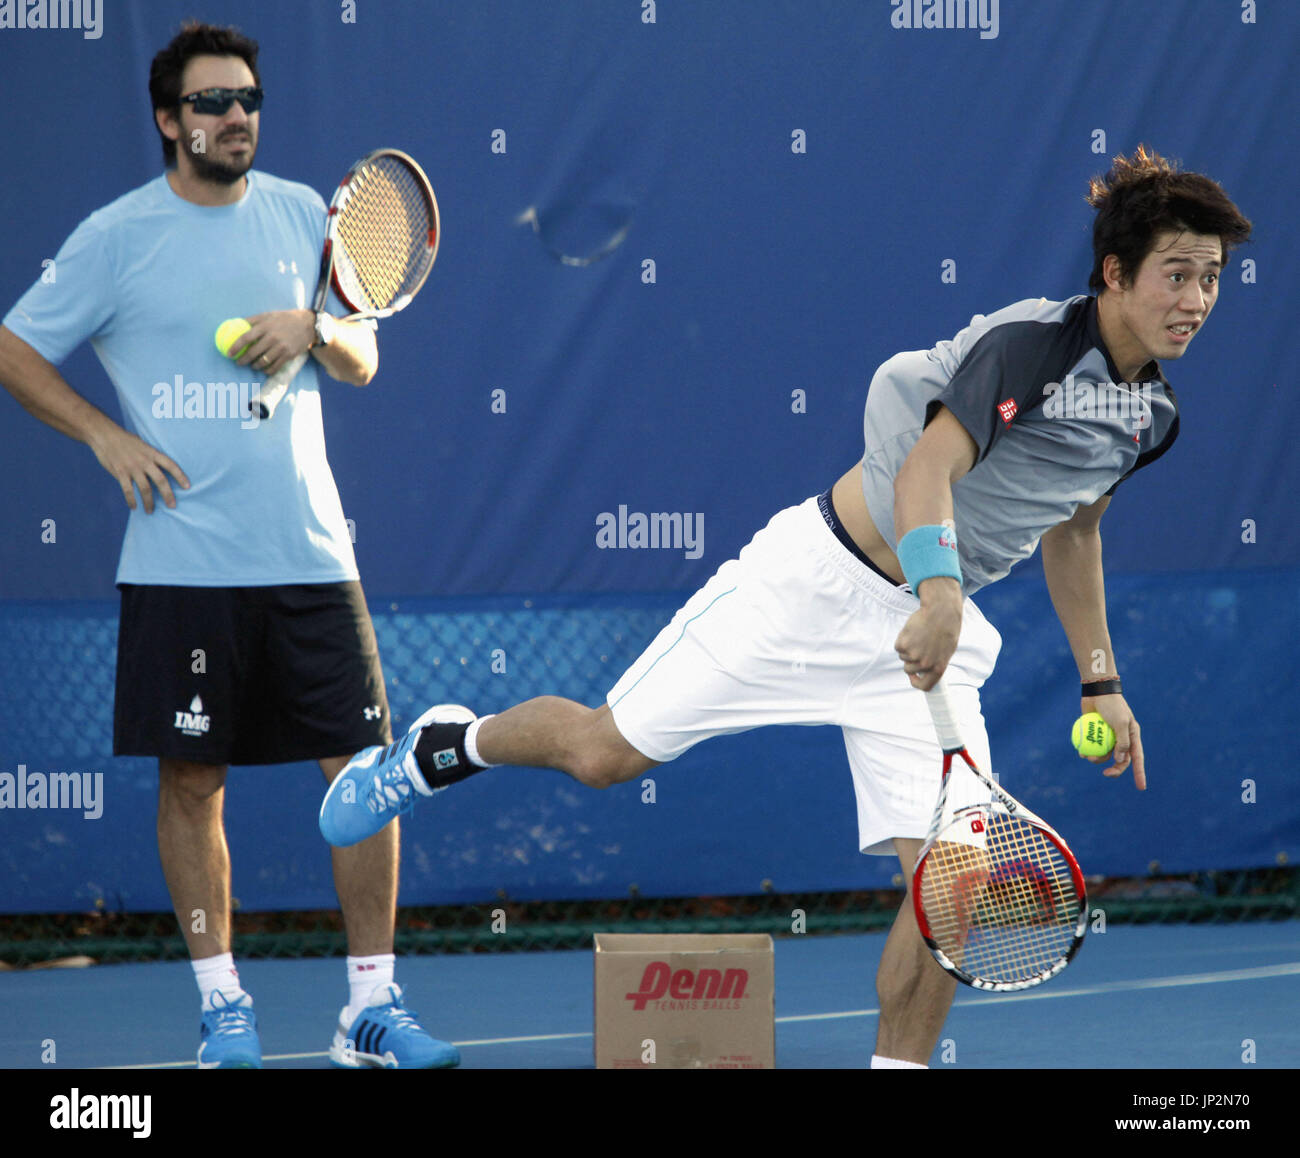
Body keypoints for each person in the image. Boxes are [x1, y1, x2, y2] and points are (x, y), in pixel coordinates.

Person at [319, 146, 1250, 1067]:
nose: (1196, 299)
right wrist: (938, 592)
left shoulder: (1149, 419)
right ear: (1116, 275)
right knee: (602, 755)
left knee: (951, 889)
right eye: (1176, 274)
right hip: (814, 587)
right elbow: (931, 465)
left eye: (1210, 278)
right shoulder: (1031, 349)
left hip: (931, 634)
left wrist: (1100, 681)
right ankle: (448, 746)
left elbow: (1075, 531)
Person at [0, 22, 457, 1070]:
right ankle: (223, 1012)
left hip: (312, 558)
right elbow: (14, 345)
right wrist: (103, 435)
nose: (234, 116)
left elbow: (361, 358)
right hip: (181, 565)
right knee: (193, 784)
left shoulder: (305, 215)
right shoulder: (117, 236)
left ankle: (369, 1010)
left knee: (372, 777)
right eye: (210, 102)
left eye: (246, 98)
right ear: (169, 121)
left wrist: (319, 330)